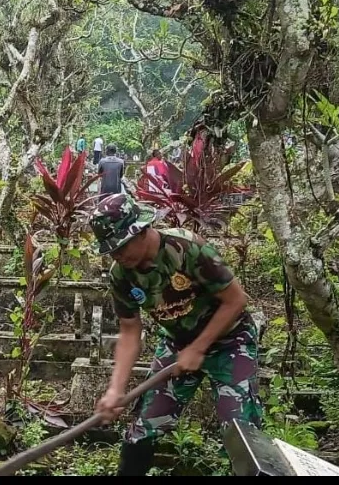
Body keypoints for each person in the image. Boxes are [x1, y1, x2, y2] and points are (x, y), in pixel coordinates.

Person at [90, 194, 259, 476]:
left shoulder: (187, 248)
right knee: (144, 427)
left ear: (141, 230)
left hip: (231, 341)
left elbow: (236, 300)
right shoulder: (121, 275)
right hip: (177, 344)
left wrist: (200, 347)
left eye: (121, 246)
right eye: (111, 251)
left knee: (240, 430)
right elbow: (130, 331)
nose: (118, 255)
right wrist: (115, 389)